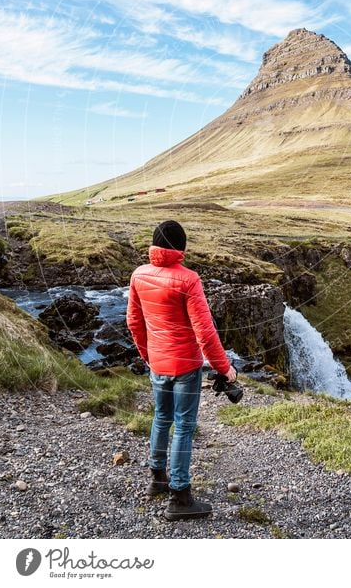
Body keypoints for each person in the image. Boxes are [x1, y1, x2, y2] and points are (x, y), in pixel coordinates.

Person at [126, 219, 236, 520]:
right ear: (181, 247)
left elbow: (134, 323)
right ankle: (180, 496)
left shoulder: (139, 275)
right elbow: (205, 331)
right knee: (184, 426)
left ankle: (157, 478)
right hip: (186, 365)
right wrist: (224, 369)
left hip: (158, 363)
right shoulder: (188, 280)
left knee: (161, 418)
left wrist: (149, 356)